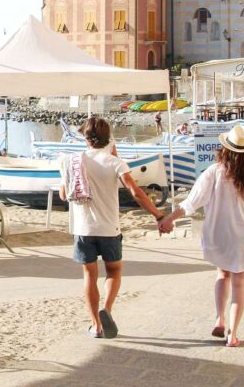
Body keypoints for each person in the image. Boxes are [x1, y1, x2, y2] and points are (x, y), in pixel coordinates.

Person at [158, 124, 244, 347]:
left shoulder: (214, 172)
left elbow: (191, 202)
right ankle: (232, 335)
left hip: (216, 234)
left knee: (222, 275)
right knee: (239, 284)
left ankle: (219, 319)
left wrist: (169, 219)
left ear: (225, 149)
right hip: (243, 236)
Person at [59, 116, 165, 340]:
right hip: (109, 228)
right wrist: (157, 214)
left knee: (89, 276)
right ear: (108, 139)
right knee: (114, 271)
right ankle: (106, 309)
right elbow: (135, 192)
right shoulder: (115, 163)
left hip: (83, 229)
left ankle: (96, 326)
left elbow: (63, 194)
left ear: (86, 138)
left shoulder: (71, 161)